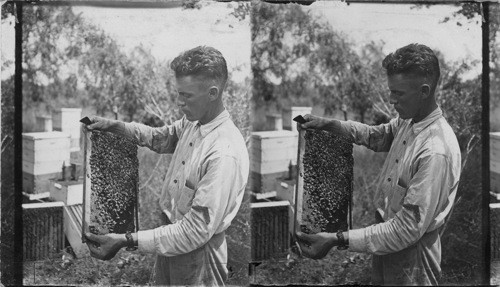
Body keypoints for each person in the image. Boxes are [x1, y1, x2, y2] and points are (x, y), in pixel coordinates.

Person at [295, 43, 461, 286]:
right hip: (387, 244)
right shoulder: (409, 121)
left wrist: (337, 239)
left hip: (414, 260)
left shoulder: (435, 151)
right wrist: (330, 125)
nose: (391, 100)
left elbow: (406, 230)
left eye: (399, 93)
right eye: (391, 91)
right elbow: (376, 135)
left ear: (424, 91)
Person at [84, 46, 249, 286]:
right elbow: (162, 137)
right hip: (171, 240)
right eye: (179, 94)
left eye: (187, 96)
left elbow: (194, 232)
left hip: (199, 256)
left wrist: (125, 240)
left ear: (213, 93)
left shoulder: (223, 153)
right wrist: (118, 127)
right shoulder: (194, 122)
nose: (180, 103)